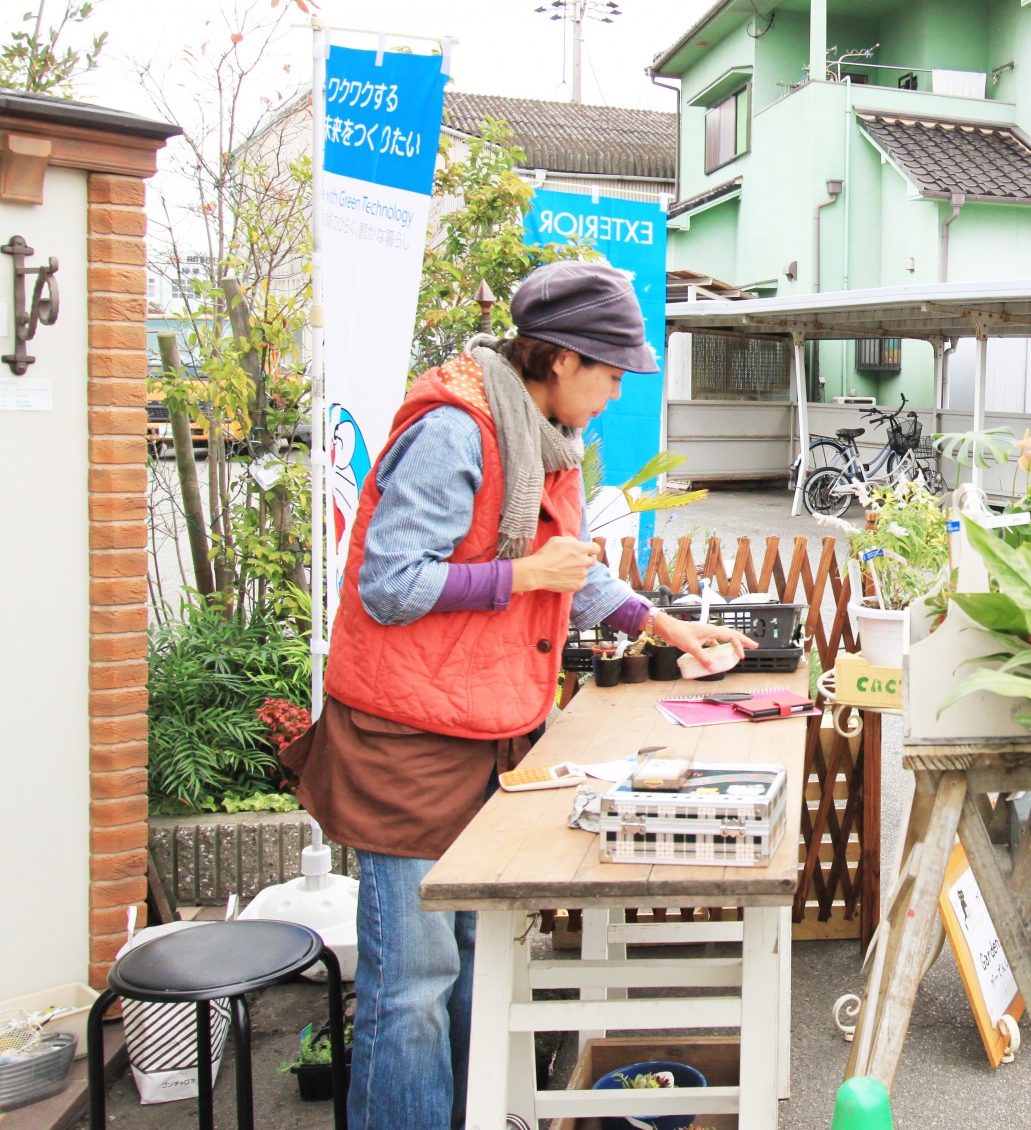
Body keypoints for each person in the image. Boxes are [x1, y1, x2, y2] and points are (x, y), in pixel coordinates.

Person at [283, 261, 754, 1130]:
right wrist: (520, 574)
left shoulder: (540, 434)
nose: (615, 395)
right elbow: (390, 582)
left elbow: (565, 574)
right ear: (565, 359)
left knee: (475, 958)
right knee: (413, 985)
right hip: (404, 741)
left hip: (485, 736)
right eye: (613, 375)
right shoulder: (458, 432)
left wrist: (664, 624)